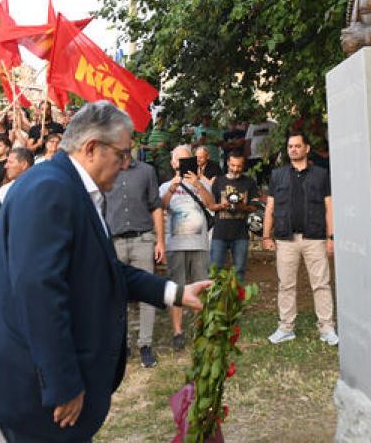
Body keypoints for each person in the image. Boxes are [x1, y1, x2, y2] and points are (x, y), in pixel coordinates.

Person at [0, 101, 210, 442]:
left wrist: (176, 293)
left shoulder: (72, 187)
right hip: (34, 385)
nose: (126, 164)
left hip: (41, 379)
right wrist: (62, 384)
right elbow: (39, 292)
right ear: (91, 148)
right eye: (122, 154)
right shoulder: (49, 188)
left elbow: (103, 270)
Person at [263, 133, 338, 346]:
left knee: (321, 284)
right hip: (286, 239)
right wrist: (266, 235)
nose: (293, 149)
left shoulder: (321, 174)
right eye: (290, 146)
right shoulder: (278, 175)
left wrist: (331, 237)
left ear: (307, 148)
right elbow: (270, 207)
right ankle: (286, 328)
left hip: (314, 238)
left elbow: (329, 207)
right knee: (286, 285)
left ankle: (327, 328)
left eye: (297, 146)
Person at [104, 152, 166, 368]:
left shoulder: (146, 171)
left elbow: (156, 206)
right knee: (118, 295)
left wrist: (160, 241)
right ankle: (123, 343)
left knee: (147, 293)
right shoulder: (106, 170)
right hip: (115, 242)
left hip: (143, 239)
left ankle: (145, 344)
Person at [160, 145, 215, 351]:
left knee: (201, 286)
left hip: (199, 244)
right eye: (179, 160)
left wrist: (198, 184)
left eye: (186, 160)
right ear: (172, 163)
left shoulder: (202, 183)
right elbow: (160, 207)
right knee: (176, 289)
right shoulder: (166, 186)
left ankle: (201, 330)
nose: (182, 164)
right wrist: (173, 188)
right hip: (175, 244)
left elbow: (211, 205)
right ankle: (178, 332)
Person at [209, 152, 259, 282]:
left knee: (239, 271)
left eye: (239, 166)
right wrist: (222, 205)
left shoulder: (249, 182)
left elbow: (255, 207)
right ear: (227, 163)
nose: (236, 169)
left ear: (243, 165)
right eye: (233, 165)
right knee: (215, 270)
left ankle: (238, 295)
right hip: (220, 233)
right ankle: (216, 295)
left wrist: (242, 207)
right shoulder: (218, 181)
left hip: (241, 234)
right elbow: (211, 206)